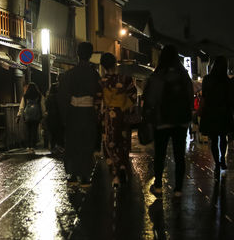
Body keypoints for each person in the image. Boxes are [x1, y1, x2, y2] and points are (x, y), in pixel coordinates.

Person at [143, 45, 193, 198]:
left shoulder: (158, 75)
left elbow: (150, 99)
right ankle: (178, 189)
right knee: (179, 156)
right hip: (181, 121)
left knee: (160, 154)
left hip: (162, 120)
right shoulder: (183, 75)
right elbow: (190, 98)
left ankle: (158, 186)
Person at [58, 42, 101, 187]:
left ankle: (72, 175)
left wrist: (65, 116)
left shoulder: (69, 74)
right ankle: (85, 176)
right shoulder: (95, 75)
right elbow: (99, 96)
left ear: (77, 53)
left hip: (73, 112)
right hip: (88, 112)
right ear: (90, 55)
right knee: (87, 143)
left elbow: (63, 97)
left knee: (72, 143)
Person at [98, 53, 137, 187]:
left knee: (109, 142)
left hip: (108, 115)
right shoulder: (125, 79)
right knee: (123, 142)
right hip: (123, 114)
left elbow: (98, 101)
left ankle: (115, 173)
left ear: (102, 66)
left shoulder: (102, 82)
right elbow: (133, 96)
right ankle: (122, 166)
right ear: (115, 64)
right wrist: (124, 107)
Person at [200, 56, 234, 176]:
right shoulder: (227, 81)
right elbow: (231, 99)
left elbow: (203, 97)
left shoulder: (207, 79)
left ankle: (217, 162)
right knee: (223, 136)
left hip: (211, 112)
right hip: (224, 112)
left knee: (213, 139)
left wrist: (201, 110)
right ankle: (223, 159)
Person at [17, 82, 45, 152]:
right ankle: (33, 145)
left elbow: (22, 107)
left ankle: (28, 146)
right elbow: (42, 106)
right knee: (34, 130)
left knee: (28, 130)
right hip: (36, 116)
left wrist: (19, 115)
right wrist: (44, 114)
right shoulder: (39, 96)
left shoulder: (25, 96)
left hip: (27, 116)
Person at [44, 83, 64, 153]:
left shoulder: (48, 97)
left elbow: (46, 108)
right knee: (58, 132)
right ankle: (58, 146)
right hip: (57, 117)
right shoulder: (58, 97)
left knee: (52, 133)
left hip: (49, 117)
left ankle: (52, 147)